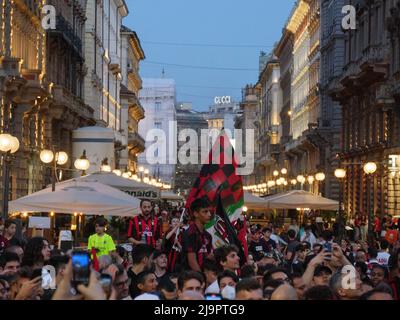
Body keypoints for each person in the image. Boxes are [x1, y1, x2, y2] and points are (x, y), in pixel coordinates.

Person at [182, 198, 213, 272]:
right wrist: (202, 278)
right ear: (196, 214)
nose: (209, 214)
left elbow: (207, 258)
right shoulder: (190, 233)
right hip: (190, 277)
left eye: (209, 211)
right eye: (205, 212)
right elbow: (192, 262)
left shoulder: (208, 236)